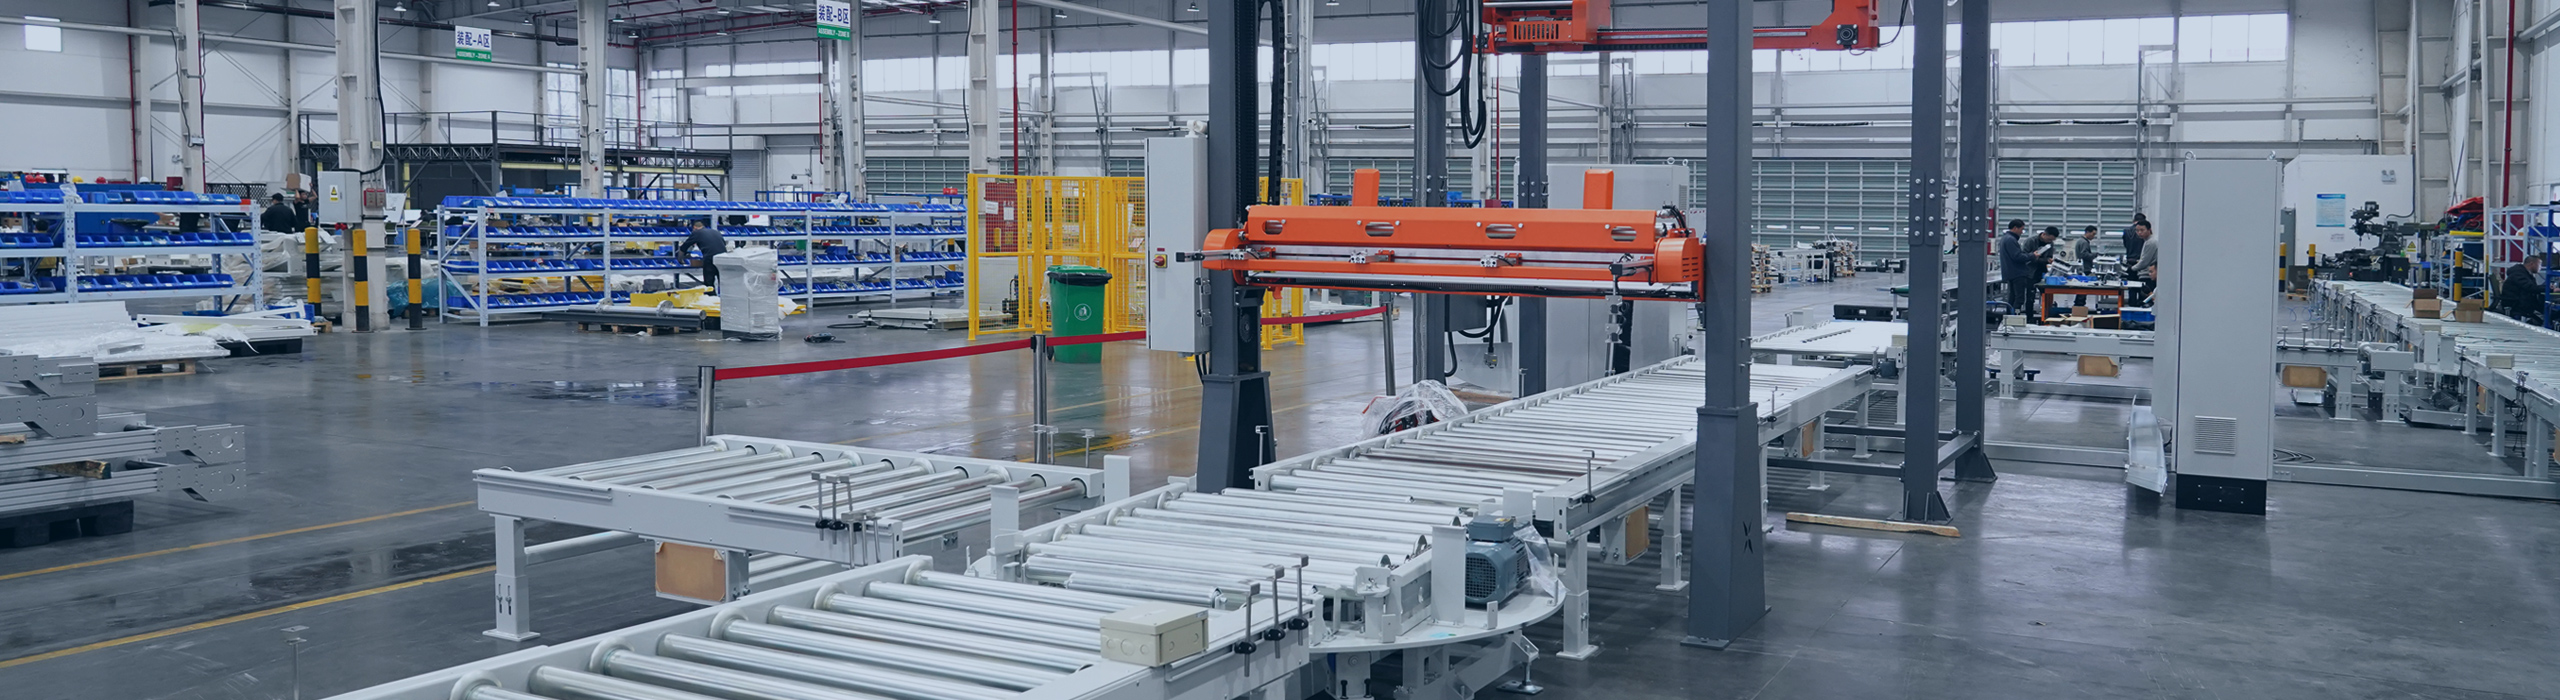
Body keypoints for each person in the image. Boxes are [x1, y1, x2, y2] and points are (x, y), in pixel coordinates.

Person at [1999, 220, 2038, 313]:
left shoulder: (2006, 238)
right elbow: (2017, 256)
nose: (2022, 232)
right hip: (2017, 273)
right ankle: (2014, 317)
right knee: (2019, 298)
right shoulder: (2010, 240)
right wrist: (2032, 255)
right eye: (2021, 229)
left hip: (2011, 272)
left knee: (2013, 297)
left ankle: (2009, 317)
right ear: (2015, 228)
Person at [678, 222, 728, 291]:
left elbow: (685, 246)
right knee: (723, 282)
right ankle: (724, 296)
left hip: (710, 258)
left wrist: (680, 259)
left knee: (709, 283)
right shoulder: (715, 231)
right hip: (723, 258)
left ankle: (710, 296)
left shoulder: (697, 233)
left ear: (695, 228)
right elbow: (723, 243)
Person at [2498, 257, 2544, 324]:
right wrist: (2549, 289)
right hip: (2516, 305)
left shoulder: (2524, 273)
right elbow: (2530, 287)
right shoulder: (2518, 273)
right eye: (2539, 264)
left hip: (2521, 303)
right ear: (2531, 264)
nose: (2540, 267)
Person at [2127, 221, 2159, 306]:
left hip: (2147, 276)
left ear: (2149, 230)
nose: (2139, 233)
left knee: (2145, 301)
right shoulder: (2147, 241)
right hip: (2146, 274)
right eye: (2137, 230)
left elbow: (2145, 262)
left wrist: (2131, 269)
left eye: (2142, 230)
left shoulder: (2151, 242)